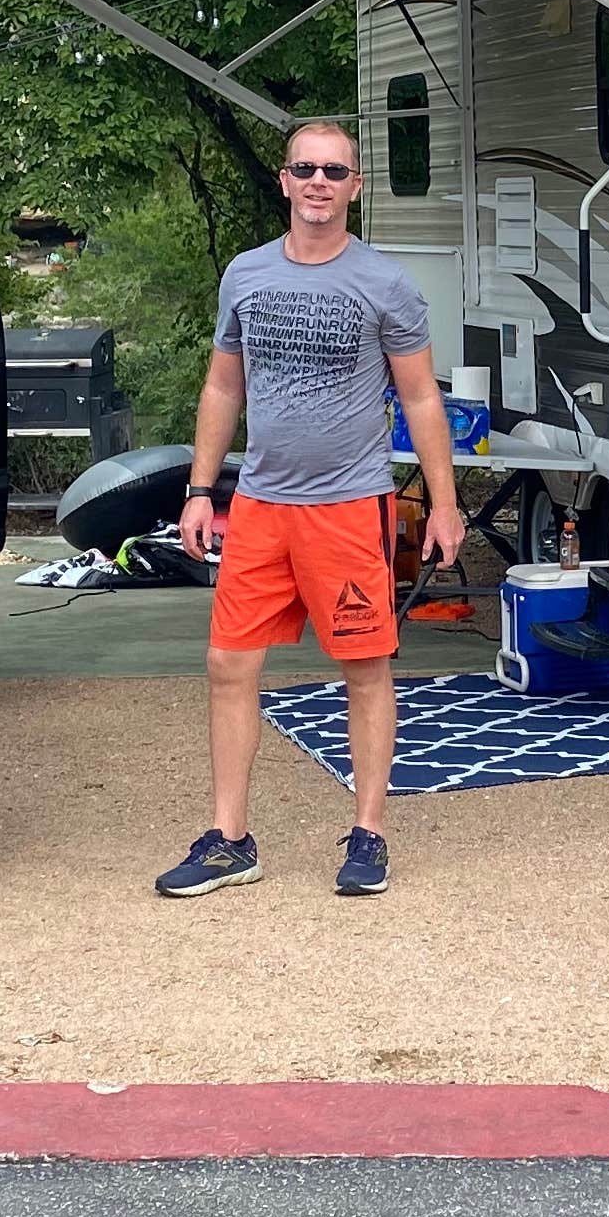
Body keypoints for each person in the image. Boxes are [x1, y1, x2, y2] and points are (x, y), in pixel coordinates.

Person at [154, 118, 467, 900]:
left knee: (365, 666)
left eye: (334, 171)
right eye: (305, 169)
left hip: (349, 506)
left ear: (355, 186)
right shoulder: (246, 275)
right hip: (261, 505)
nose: (318, 183)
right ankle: (230, 841)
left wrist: (444, 504)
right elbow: (223, 385)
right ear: (285, 180)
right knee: (229, 664)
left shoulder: (385, 282)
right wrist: (199, 490)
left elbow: (420, 397)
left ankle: (369, 833)